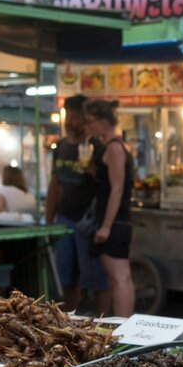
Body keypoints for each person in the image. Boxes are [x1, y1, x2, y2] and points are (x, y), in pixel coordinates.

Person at [43, 95, 111, 314]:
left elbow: (109, 186)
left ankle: (104, 323)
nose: (72, 122)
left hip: (88, 222)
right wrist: (48, 220)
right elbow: (55, 184)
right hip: (63, 220)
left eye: (77, 117)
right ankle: (67, 321)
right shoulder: (60, 147)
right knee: (66, 277)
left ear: (85, 118)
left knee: (97, 279)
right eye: (69, 116)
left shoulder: (98, 147)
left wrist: (95, 172)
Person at [84, 98, 135, 316]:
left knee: (119, 277)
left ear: (104, 121)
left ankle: (124, 326)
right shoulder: (112, 147)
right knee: (118, 277)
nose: (89, 127)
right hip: (116, 220)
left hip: (115, 222)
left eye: (91, 121)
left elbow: (117, 189)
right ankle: (123, 324)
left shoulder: (114, 148)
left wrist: (106, 226)